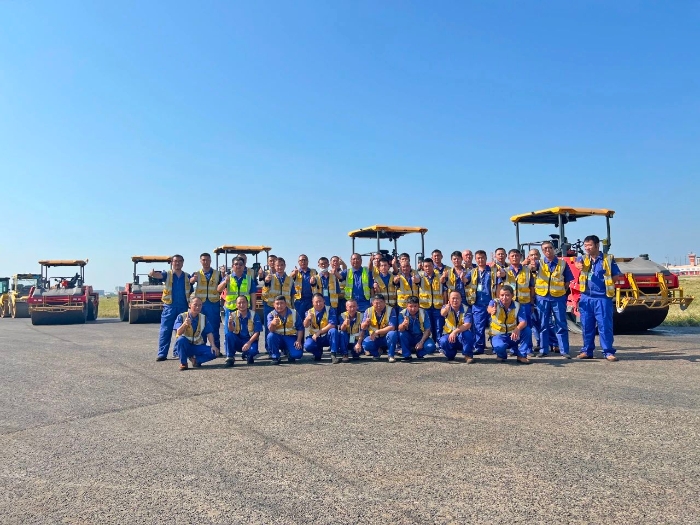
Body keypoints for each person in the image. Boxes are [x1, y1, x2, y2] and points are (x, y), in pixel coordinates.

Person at [574, 235, 623, 361]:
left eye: (590, 245)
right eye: (585, 246)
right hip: (586, 297)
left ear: (597, 245)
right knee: (586, 326)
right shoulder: (582, 258)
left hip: (602, 298)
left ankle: (608, 352)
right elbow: (577, 263)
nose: (587, 248)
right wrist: (578, 265)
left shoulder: (608, 259)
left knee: (604, 326)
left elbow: (616, 276)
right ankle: (587, 351)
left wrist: (605, 285)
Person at [531, 241, 574, 358]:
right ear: (542, 251)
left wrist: (560, 292)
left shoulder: (563, 263)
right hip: (542, 298)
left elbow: (567, 282)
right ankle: (543, 350)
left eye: (550, 248)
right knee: (543, 324)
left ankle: (564, 351)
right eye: (545, 248)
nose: (548, 250)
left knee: (561, 324)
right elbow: (531, 270)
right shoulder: (538, 263)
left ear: (554, 249)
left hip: (558, 298)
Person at [149, 255, 192, 361]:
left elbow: (192, 285)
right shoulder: (167, 274)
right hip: (169, 307)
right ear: (172, 263)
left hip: (183, 307)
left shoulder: (187, 276)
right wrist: (153, 274)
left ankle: (177, 352)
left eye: (180, 261)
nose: (177, 263)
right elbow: (159, 276)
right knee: (165, 330)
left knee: (181, 330)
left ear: (183, 262)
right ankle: (162, 354)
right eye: (175, 261)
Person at [467, 250, 501, 355]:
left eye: (482, 257)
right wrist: (462, 277)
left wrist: (497, 301)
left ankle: (495, 347)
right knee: (478, 327)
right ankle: (479, 347)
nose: (480, 260)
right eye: (478, 258)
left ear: (486, 258)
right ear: (475, 259)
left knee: (494, 326)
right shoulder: (472, 272)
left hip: (491, 303)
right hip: (477, 304)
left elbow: (499, 285)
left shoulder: (493, 270)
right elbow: (465, 281)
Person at [173, 297, 219, 371]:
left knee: (215, 352)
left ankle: (195, 360)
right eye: (195, 305)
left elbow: (209, 332)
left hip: (197, 346)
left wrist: (213, 345)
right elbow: (178, 332)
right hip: (185, 346)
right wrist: (184, 324)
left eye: (200, 305)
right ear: (189, 305)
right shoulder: (181, 316)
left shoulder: (203, 318)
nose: (197, 307)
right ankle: (183, 363)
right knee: (181, 340)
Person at [503, 249, 534, 357]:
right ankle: (514, 349)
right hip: (511, 304)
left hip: (524, 303)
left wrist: (532, 302)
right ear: (508, 258)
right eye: (512, 256)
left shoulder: (527, 270)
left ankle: (528, 349)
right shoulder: (505, 271)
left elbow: (531, 287)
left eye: (516, 255)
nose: (515, 258)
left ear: (520, 257)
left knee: (527, 327)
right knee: (512, 326)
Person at [487, 285, 530, 363]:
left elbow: (523, 322)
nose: (504, 297)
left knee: (527, 331)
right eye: (502, 295)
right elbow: (489, 308)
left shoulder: (518, 305)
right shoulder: (494, 302)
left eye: (507, 295)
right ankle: (501, 355)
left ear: (512, 296)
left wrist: (517, 329)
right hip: (498, 335)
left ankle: (521, 356)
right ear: (499, 295)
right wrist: (491, 310)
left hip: (513, 335)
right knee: (499, 347)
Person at [190, 253, 224, 352]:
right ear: (200, 261)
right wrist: (192, 280)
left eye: (207, 260)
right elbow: (190, 282)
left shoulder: (217, 274)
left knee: (214, 327)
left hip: (213, 304)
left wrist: (223, 274)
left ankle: (216, 349)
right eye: (203, 260)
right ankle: (202, 349)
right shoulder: (196, 273)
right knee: (200, 326)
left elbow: (222, 286)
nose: (205, 262)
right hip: (200, 305)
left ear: (210, 260)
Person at [218, 257, 257, 340]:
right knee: (229, 333)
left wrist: (253, 308)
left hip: (244, 310)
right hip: (231, 309)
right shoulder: (228, 278)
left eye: (240, 264)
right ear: (232, 266)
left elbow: (253, 294)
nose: (238, 266)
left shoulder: (249, 279)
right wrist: (225, 282)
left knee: (245, 332)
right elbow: (219, 289)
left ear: (244, 266)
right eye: (236, 264)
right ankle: (230, 348)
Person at [224, 295, 262, 366]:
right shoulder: (233, 314)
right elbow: (231, 330)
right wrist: (230, 323)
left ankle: (247, 355)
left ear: (248, 304)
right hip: (238, 341)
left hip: (250, 340)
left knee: (253, 351)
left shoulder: (254, 315)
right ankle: (230, 357)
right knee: (229, 335)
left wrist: (249, 343)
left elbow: (257, 332)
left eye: (244, 302)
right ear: (236, 305)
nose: (241, 305)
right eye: (239, 303)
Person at [266, 295, 304, 364]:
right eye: (277, 304)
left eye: (282, 303)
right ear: (274, 305)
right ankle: (275, 357)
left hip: (291, 337)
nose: (279, 306)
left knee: (297, 355)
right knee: (270, 336)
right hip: (278, 337)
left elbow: (300, 328)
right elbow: (271, 330)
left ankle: (288, 351)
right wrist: (273, 324)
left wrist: (298, 340)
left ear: (286, 304)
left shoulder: (294, 313)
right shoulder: (271, 315)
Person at [438, 291, 475, 362]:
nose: (455, 300)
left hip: (461, 336)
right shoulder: (446, 307)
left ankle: (467, 355)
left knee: (468, 334)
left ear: (461, 299)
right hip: (449, 336)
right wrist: (446, 309)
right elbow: (442, 314)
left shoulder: (466, 309)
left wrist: (455, 332)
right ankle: (450, 355)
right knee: (443, 341)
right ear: (449, 299)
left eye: (457, 298)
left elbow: (467, 325)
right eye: (453, 298)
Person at [360, 294, 398, 361]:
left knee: (393, 334)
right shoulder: (368, 311)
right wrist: (366, 323)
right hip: (374, 337)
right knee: (366, 344)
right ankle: (376, 354)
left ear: (384, 302)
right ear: (372, 303)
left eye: (381, 302)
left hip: (386, 337)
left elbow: (392, 327)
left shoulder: (391, 310)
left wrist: (377, 332)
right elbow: (363, 327)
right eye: (376, 303)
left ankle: (391, 355)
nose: (379, 305)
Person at [397, 295, 436, 360]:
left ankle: (419, 353)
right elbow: (400, 329)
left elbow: (427, 330)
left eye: (415, 306)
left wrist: (421, 342)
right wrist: (403, 324)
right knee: (401, 334)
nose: (413, 309)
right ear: (407, 306)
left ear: (418, 306)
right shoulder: (402, 313)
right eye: (410, 306)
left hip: (420, 336)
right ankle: (407, 355)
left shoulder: (423, 313)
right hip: (409, 337)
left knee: (431, 346)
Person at [303, 293, 339, 362]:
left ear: (324, 301)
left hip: (326, 336)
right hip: (314, 337)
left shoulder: (330, 309)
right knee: (308, 345)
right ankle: (318, 354)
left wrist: (319, 332)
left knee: (333, 331)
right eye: (316, 302)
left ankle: (333, 354)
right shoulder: (309, 312)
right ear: (313, 302)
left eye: (320, 301)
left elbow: (332, 324)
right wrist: (307, 319)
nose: (319, 304)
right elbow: (305, 325)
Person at [264, 257, 295, 328]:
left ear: (285, 266)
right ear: (274, 266)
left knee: (285, 328)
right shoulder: (270, 278)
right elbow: (265, 290)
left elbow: (292, 295)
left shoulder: (290, 279)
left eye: (282, 265)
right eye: (277, 265)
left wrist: (293, 307)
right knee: (270, 328)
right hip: (272, 307)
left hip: (286, 308)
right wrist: (266, 282)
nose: (280, 267)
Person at [418, 258, 444, 338]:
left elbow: (444, 291)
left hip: (438, 307)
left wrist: (445, 304)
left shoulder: (440, 276)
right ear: (423, 267)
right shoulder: (420, 276)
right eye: (425, 266)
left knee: (439, 327)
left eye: (429, 266)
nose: (427, 268)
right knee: (428, 327)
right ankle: (430, 343)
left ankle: (439, 343)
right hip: (425, 307)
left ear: (433, 266)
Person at [291, 254, 318, 319]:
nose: (303, 262)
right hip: (299, 300)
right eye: (301, 260)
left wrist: (314, 282)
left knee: (312, 319)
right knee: (299, 319)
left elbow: (318, 284)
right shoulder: (295, 272)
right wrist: (293, 274)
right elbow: (288, 280)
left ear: (308, 261)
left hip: (311, 299)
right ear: (298, 262)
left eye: (305, 260)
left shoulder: (314, 271)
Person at [257, 254, 277, 334]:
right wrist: (261, 275)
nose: (272, 262)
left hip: (279, 303)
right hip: (268, 303)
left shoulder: (281, 273)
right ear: (268, 263)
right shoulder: (265, 273)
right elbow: (261, 278)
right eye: (270, 261)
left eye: (274, 260)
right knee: (268, 325)